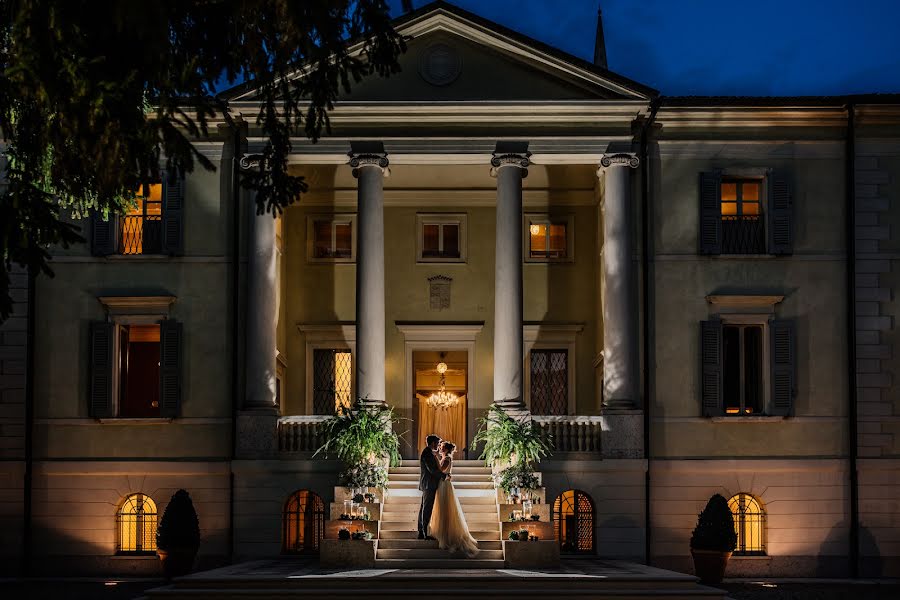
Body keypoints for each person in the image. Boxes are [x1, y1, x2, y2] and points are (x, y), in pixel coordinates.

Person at [429, 440, 479, 557]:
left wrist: (436, 458)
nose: (439, 449)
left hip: (445, 486)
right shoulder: (445, 457)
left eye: (441, 447)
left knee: (445, 509)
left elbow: (441, 470)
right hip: (442, 484)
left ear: (446, 449)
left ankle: (447, 536)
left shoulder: (447, 459)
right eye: (440, 447)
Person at [417, 434, 446, 539]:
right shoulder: (427, 453)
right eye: (438, 443)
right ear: (433, 443)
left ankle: (422, 532)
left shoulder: (428, 452)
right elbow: (432, 470)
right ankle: (424, 533)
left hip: (428, 484)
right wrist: (444, 476)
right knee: (426, 509)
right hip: (429, 484)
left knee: (424, 508)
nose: (438, 446)